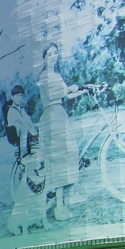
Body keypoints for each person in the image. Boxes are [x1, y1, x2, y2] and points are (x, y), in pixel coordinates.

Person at [38, 42, 87, 221]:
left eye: (55, 53)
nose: (53, 56)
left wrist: (83, 90)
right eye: (49, 54)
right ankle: (59, 207)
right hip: (51, 116)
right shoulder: (44, 76)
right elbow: (53, 95)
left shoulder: (57, 75)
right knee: (59, 158)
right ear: (44, 58)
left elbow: (66, 95)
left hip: (60, 113)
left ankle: (71, 194)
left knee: (71, 152)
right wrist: (69, 88)